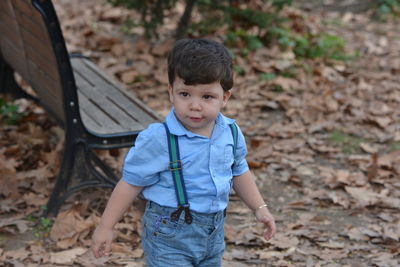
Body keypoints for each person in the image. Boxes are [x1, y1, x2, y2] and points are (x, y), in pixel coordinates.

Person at [92, 38, 276, 266]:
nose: (195, 105)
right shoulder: (160, 139)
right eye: (185, 94)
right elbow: (131, 183)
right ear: (171, 92)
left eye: (207, 97)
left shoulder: (230, 132)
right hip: (169, 237)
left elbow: (239, 170)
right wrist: (106, 227)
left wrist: (259, 208)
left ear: (224, 98)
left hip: (213, 233)